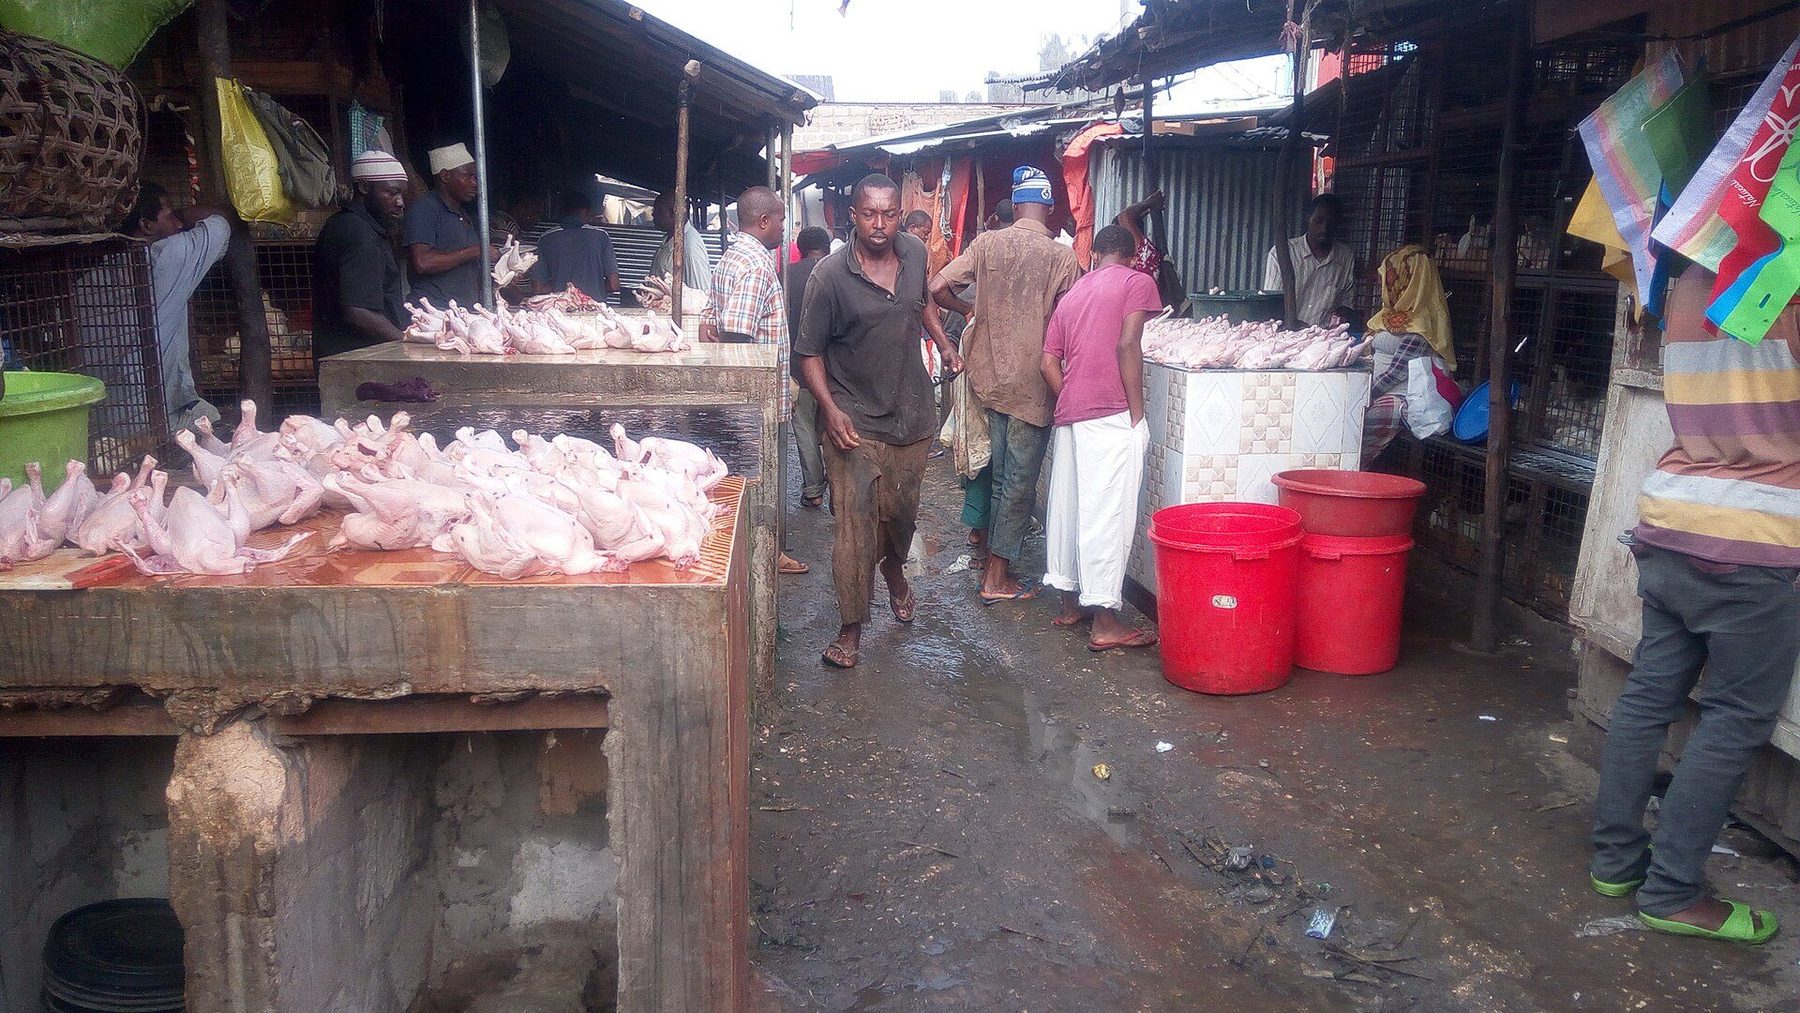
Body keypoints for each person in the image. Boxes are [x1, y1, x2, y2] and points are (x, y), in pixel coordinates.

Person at [1589, 267, 1800, 946]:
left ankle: (1617, 862)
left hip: (1673, 518)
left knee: (1650, 691)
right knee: (1736, 716)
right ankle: (1674, 890)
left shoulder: (1684, 282)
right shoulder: (1791, 285)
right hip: (1758, 536)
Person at [795, 173, 962, 669]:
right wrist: (830, 410)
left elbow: (922, 303)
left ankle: (894, 571)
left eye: (889, 214)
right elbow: (808, 354)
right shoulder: (829, 276)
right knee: (855, 523)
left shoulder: (914, 252)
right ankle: (851, 629)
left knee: (900, 519)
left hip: (912, 416)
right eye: (870, 214)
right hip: (854, 420)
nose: (880, 225)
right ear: (853, 215)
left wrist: (944, 342)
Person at [930, 165, 1080, 604]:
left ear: (1016, 206)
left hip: (987, 380)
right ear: (1050, 208)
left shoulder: (987, 243)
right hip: (1034, 384)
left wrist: (970, 310)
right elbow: (1070, 321)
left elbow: (936, 288)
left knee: (997, 477)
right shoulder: (1062, 258)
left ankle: (992, 562)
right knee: (1018, 483)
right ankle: (998, 577)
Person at [1039, 225, 1162, 651]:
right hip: (1111, 414)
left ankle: (1071, 604)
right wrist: (1137, 413)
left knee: (1070, 508)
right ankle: (1105, 622)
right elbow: (1129, 345)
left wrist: (1072, 394)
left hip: (1071, 415)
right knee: (1106, 513)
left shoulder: (1072, 294)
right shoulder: (1136, 282)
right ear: (1131, 256)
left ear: (1094, 254)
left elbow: (1047, 361)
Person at [701, 186, 809, 576]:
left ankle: (760, 549)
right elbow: (736, 334)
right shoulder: (754, 265)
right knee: (764, 479)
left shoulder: (732, 257)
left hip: (745, 399)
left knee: (749, 477)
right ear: (764, 221)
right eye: (781, 219)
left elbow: (710, 323)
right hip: (756, 400)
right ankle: (767, 553)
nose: (784, 227)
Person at [119, 181, 231, 431]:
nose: (177, 225)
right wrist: (183, 214)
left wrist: (172, 216)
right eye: (169, 216)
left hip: (106, 420)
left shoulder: (100, 270)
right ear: (146, 226)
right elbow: (221, 223)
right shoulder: (170, 253)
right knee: (210, 418)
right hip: (152, 417)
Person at [311, 150, 409, 363]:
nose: (400, 202)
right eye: (392, 193)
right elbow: (359, 312)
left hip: (342, 357)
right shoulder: (360, 234)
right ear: (364, 188)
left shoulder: (343, 224)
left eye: (402, 194)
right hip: (358, 361)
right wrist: (406, 342)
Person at [1361, 244, 1457, 460]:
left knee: (1358, 424)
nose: (1385, 283)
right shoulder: (1388, 315)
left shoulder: (1421, 325)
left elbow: (1397, 373)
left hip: (1405, 397)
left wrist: (1364, 396)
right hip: (1378, 390)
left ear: (1411, 282)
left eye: (1392, 277)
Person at [404, 143, 489, 308]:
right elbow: (422, 262)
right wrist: (477, 250)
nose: (475, 183)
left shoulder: (462, 214)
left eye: (476, 177)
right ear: (445, 176)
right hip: (432, 311)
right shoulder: (425, 209)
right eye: (468, 176)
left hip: (460, 311)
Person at [788, 226, 833, 510]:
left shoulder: (787, 276)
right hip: (836, 370)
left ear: (801, 249)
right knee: (832, 428)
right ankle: (839, 493)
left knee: (804, 428)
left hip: (799, 367)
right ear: (826, 248)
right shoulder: (839, 273)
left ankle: (814, 489)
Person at [1262, 192, 1357, 327]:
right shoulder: (1282, 253)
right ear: (1308, 218)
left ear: (1338, 224)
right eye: (1318, 221)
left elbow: (1346, 302)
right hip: (1285, 334)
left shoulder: (1345, 257)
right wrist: (1295, 325)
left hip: (1323, 338)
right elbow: (1271, 304)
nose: (1324, 228)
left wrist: (1340, 319)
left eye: (1331, 223)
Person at [529, 191, 619, 302]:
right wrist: (593, 287)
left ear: (563, 211)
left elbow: (538, 288)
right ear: (585, 211)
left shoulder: (546, 239)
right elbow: (614, 284)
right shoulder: (601, 237)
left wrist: (563, 287)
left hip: (560, 311)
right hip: (595, 310)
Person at [1114, 188, 1186, 308]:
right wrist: (1148, 208)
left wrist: (1149, 203)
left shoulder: (1144, 255)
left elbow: (1124, 217)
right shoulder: (1147, 256)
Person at [649, 190, 713, 292]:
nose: (653, 214)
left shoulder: (690, 247)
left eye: (659, 211)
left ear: (673, 213)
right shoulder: (668, 239)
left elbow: (700, 294)